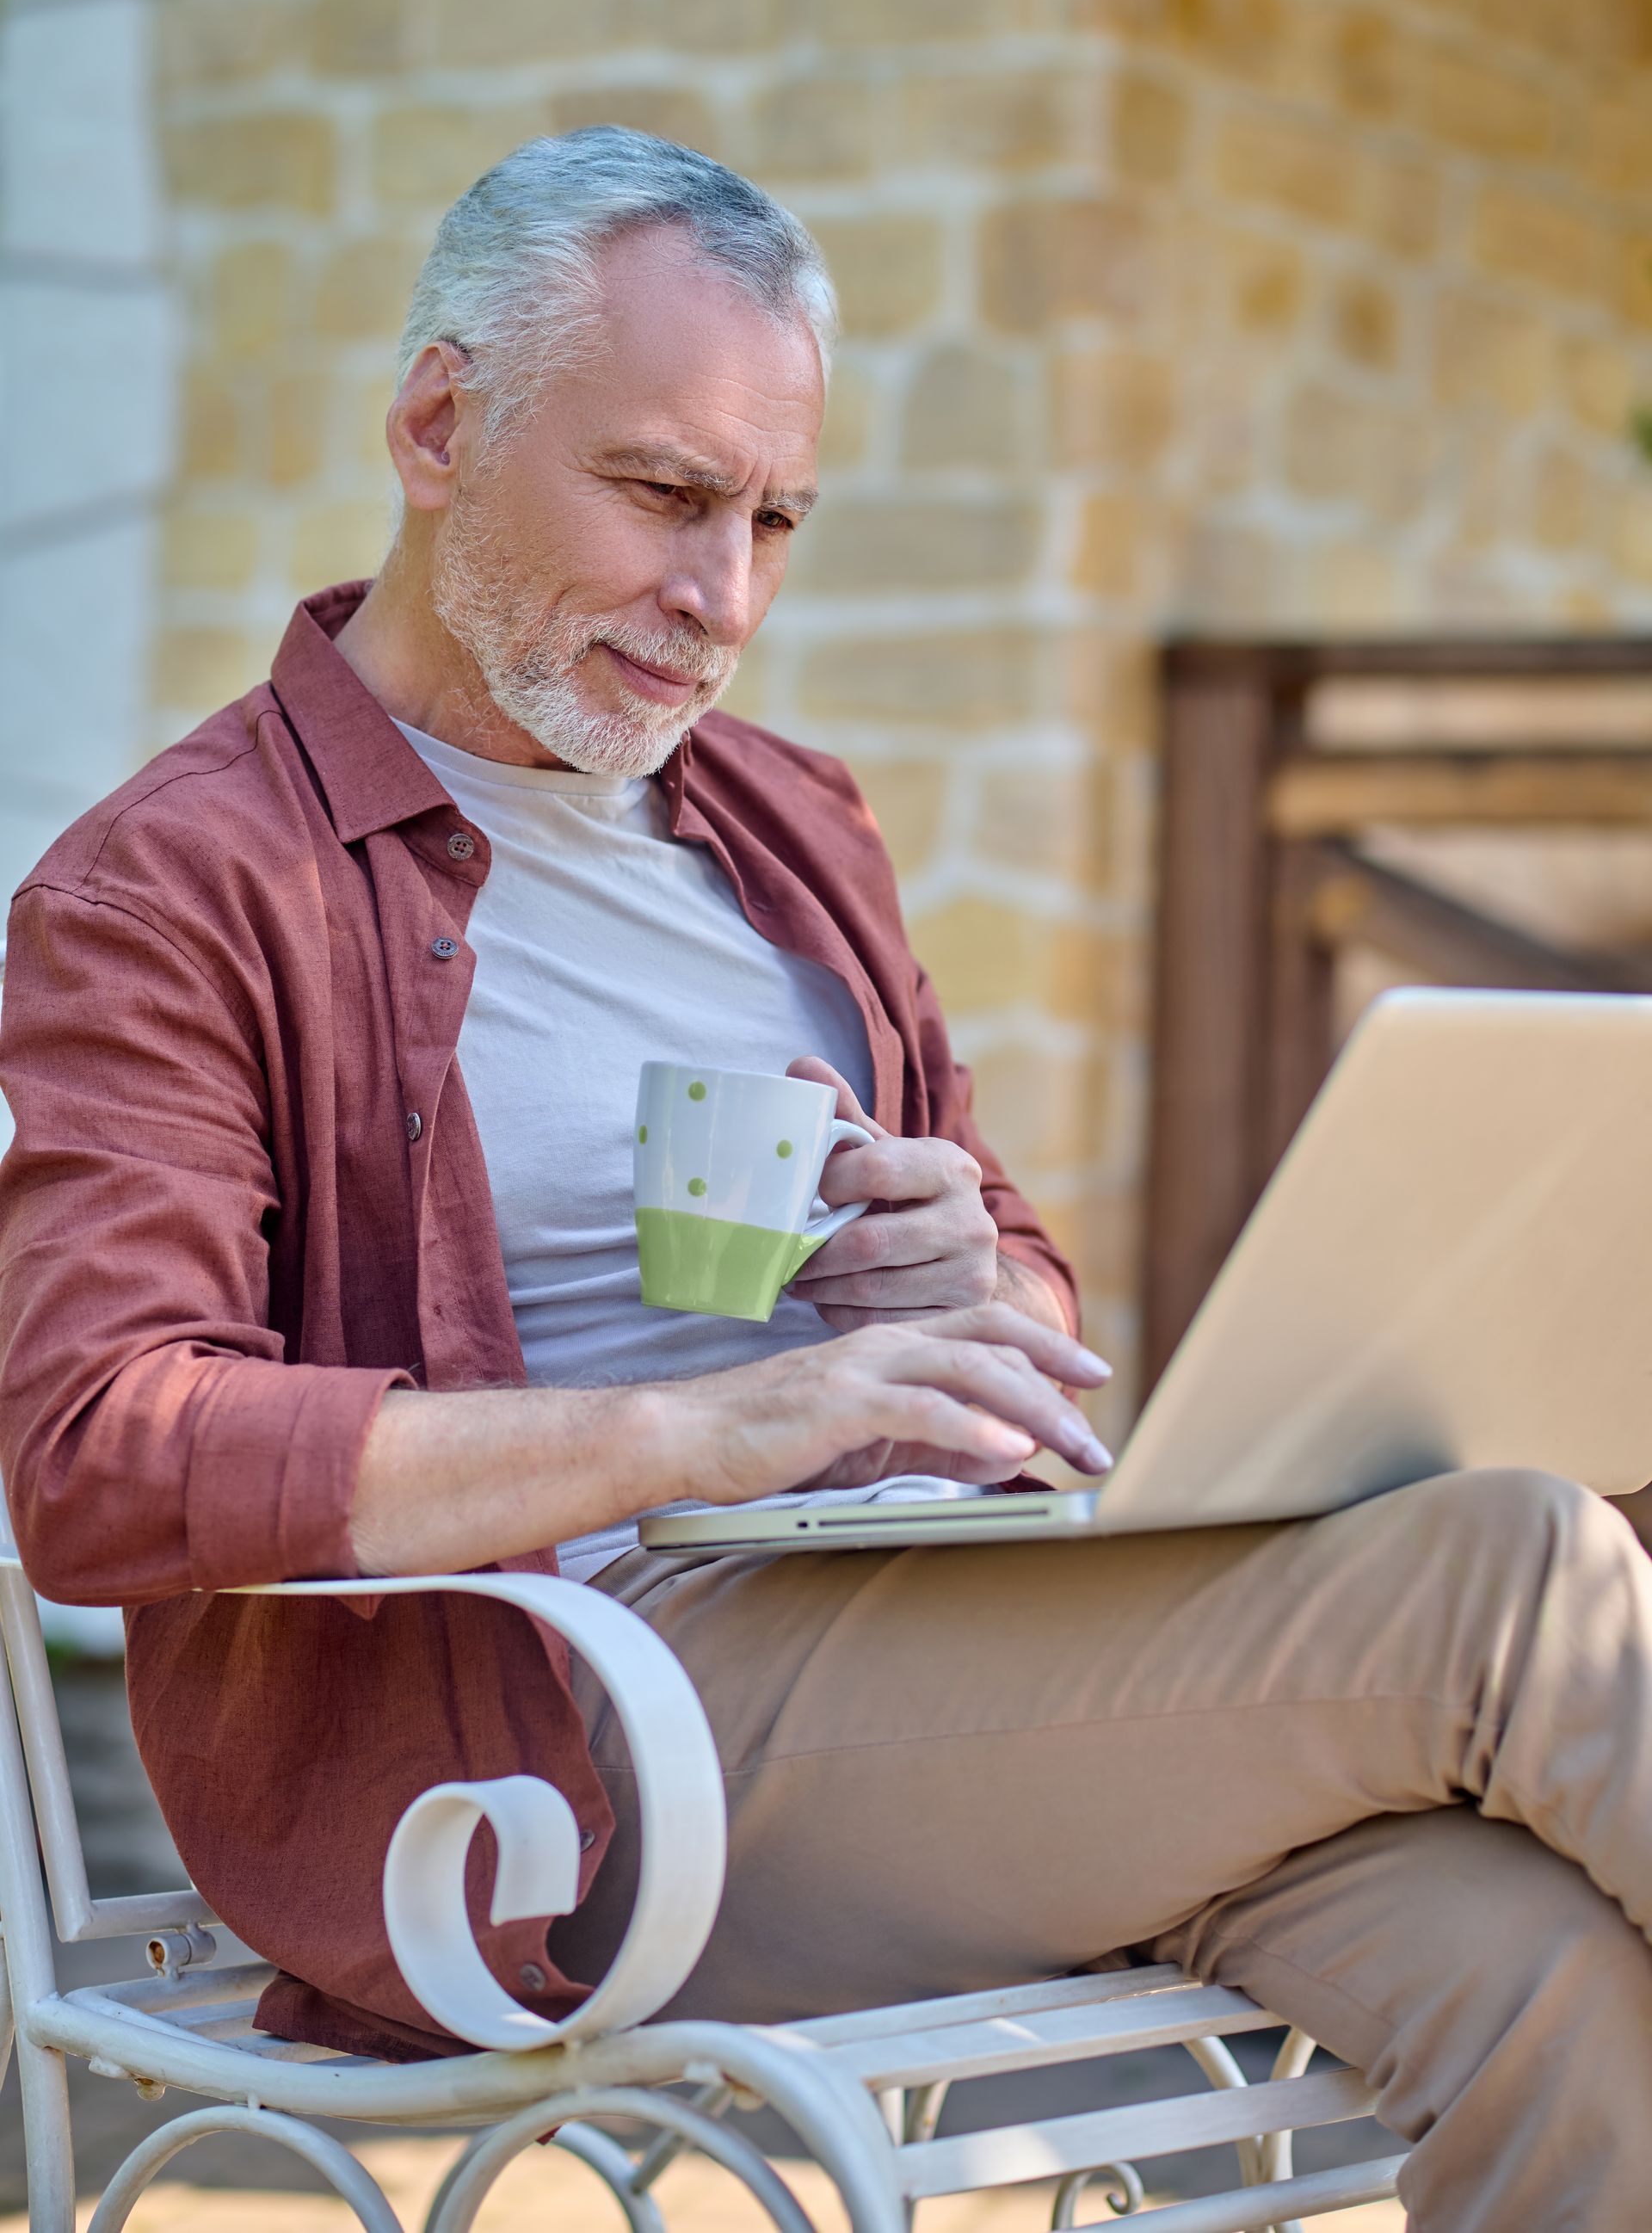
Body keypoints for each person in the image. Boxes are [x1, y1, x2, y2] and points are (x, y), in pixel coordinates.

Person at [2, 130, 1651, 2231]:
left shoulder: (785, 821)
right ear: (437, 425)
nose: (728, 601)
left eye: (776, 519)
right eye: (666, 497)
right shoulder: (176, 885)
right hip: (583, 1755)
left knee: (1551, 1986)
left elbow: (1019, 1270)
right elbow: (97, 1451)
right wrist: (700, 1427)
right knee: (1510, 1571)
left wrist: (979, 1280)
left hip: (950, 1640)